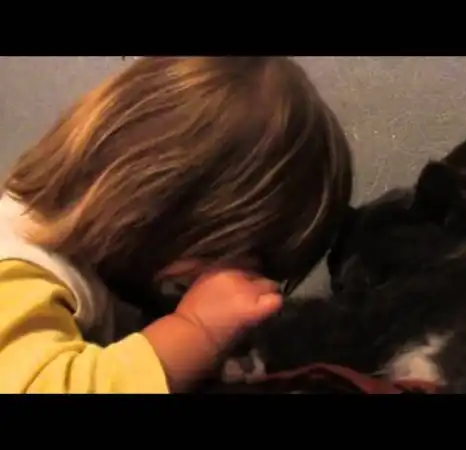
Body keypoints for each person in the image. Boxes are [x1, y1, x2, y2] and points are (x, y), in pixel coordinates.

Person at [0, 57, 353, 393]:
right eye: (251, 259)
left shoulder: (113, 268)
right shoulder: (18, 270)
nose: (248, 284)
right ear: (162, 201)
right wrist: (196, 331)